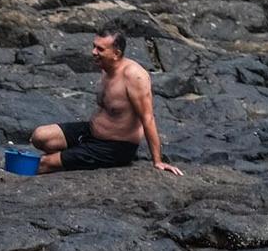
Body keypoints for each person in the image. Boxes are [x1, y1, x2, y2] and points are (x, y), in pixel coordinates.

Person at [30, 31, 183, 174]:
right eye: (94, 47)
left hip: (115, 147)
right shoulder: (105, 67)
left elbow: (148, 118)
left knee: (44, 163)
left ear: (116, 54)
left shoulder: (134, 76)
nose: (94, 52)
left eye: (100, 49)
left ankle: (71, 157)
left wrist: (157, 161)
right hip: (91, 132)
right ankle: (76, 153)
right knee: (40, 137)